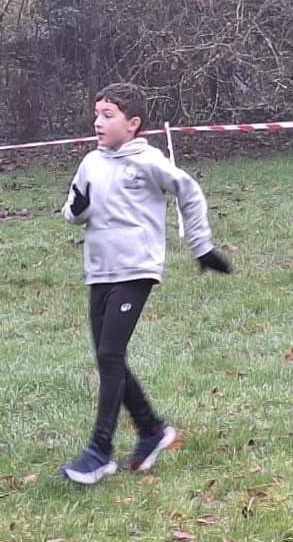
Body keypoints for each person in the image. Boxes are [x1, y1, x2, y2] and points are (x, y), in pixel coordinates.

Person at [60, 82, 231, 485]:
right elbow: (72, 212)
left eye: (108, 115)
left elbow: (189, 192)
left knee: (110, 353)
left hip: (137, 269)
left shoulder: (149, 161)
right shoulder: (90, 163)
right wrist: (76, 210)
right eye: (97, 114)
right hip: (99, 271)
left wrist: (202, 247)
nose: (98, 122)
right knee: (109, 358)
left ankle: (99, 451)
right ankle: (152, 429)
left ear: (133, 123)